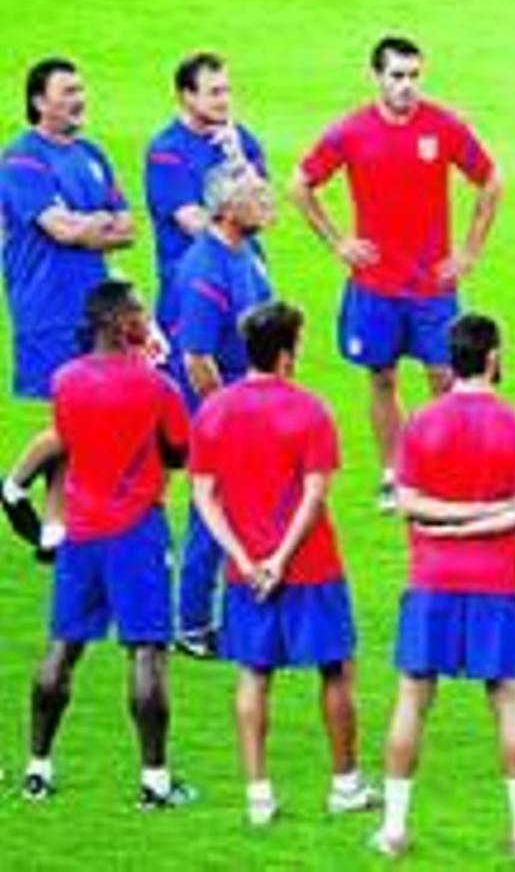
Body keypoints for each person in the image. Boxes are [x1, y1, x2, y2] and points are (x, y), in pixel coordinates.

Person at [371, 314, 515, 859]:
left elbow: (406, 502)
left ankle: (392, 829)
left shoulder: (422, 423)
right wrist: (482, 517)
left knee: (412, 700)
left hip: (431, 580)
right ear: (493, 358)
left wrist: (453, 523)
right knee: (509, 703)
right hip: (496, 585)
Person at [289, 35, 503, 512]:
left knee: (444, 380)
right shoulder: (351, 131)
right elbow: (299, 185)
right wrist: (338, 242)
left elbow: (491, 181)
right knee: (381, 378)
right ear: (377, 77)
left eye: (414, 76)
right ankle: (394, 473)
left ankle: (443, 474)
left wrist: (469, 252)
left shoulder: (443, 126)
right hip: (376, 285)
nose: (407, 86)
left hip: (432, 286)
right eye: (397, 76)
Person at [189, 300, 378, 825]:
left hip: (245, 571)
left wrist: (244, 557)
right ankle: (345, 786)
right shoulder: (309, 410)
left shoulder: (215, 410)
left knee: (253, 674)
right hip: (311, 566)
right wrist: (280, 557)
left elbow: (204, 496)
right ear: (286, 353)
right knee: (336, 669)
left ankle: (259, 796)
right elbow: (314, 495)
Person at [21, 279, 194, 809]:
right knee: (147, 650)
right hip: (136, 532)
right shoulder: (157, 386)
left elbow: (68, 444)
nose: (147, 318)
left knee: (63, 647)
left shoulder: (65, 381)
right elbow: (180, 452)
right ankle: (155, 782)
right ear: (120, 323)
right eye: (139, 311)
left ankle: (37, 769)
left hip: (81, 530)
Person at [1, 58, 135, 561]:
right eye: (67, 91)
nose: (79, 99)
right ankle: (14, 485)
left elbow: (128, 228)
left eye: (81, 89)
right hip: (47, 305)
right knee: (74, 416)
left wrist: (89, 226)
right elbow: (60, 229)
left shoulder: (91, 154)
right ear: (40, 101)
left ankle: (55, 531)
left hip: (95, 305)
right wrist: (92, 225)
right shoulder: (23, 160)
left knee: (82, 412)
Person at [171, 166, 276, 658]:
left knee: (245, 507)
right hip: (221, 414)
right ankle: (192, 625)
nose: (267, 200)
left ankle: (236, 612)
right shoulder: (205, 271)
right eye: (256, 195)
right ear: (227, 209)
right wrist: (231, 418)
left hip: (251, 401)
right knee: (211, 513)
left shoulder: (247, 251)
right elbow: (197, 359)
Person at [144, 50, 268, 388]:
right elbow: (193, 222)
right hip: (194, 288)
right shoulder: (168, 152)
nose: (224, 100)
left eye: (227, 90)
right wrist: (239, 213)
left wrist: (238, 159)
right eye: (214, 92)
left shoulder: (241, 142)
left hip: (246, 278)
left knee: (250, 386)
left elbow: (264, 209)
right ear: (187, 96)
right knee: (196, 386)